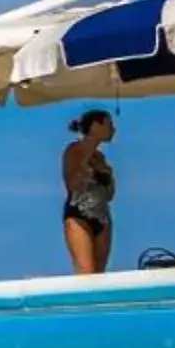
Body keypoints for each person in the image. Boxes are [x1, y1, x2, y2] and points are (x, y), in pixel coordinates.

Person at [60, 109, 116, 275]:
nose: (113, 129)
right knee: (86, 273)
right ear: (95, 126)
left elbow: (110, 194)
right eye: (109, 124)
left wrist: (107, 175)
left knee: (99, 275)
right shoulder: (74, 150)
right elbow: (71, 183)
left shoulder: (100, 157)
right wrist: (87, 165)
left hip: (102, 215)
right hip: (79, 214)